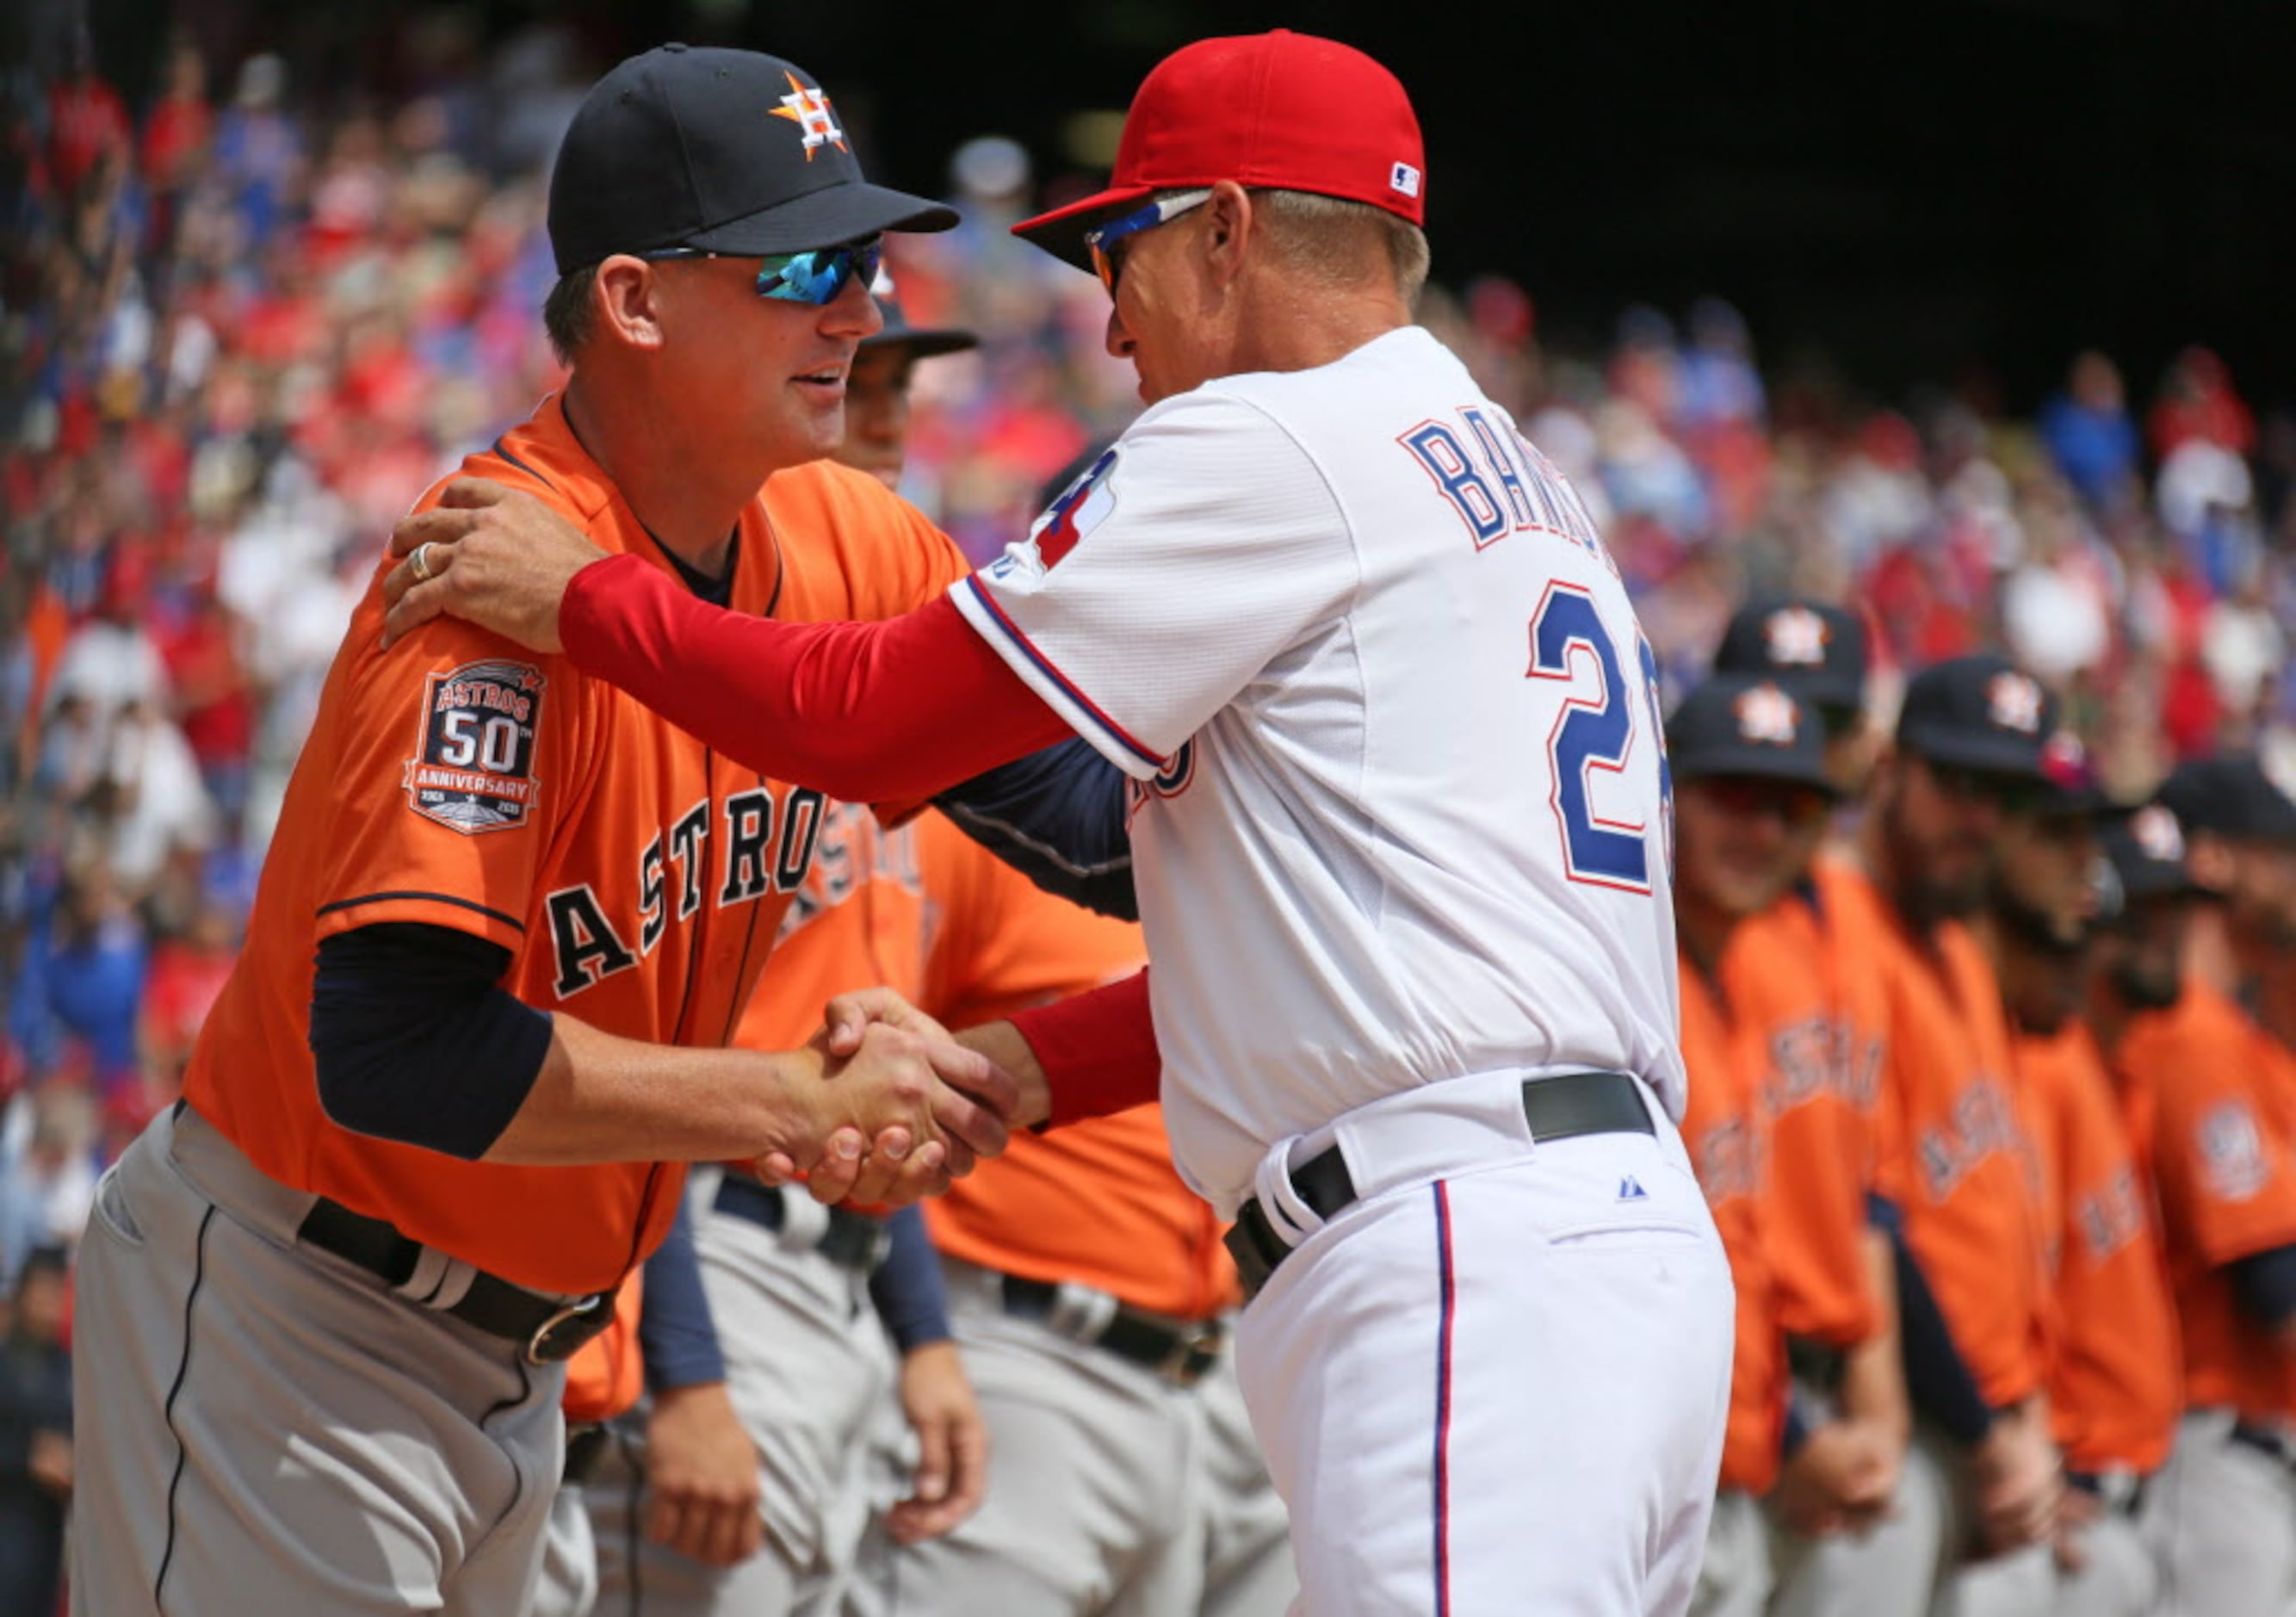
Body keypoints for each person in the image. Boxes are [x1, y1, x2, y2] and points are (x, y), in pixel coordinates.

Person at [379, 28, 1735, 1615]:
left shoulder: (1278, 434)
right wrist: (1035, 1066)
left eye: (1123, 247)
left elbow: (874, 722)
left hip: (1461, 1261)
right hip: (1602, 1257)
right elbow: (1332, 950)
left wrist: (589, 601)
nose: (1106, 314)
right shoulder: (1524, 485)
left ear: (1225, 229)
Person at [67, 46, 1018, 1617]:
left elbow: (1065, 803)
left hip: (530, 1362)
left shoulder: (846, 530)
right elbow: (394, 1048)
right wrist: (784, 1094)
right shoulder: (486, 576)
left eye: (864, 260)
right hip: (302, 1319)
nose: (859, 306)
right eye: (800, 266)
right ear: (635, 302)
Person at [1815, 654, 2065, 1617]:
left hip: (1992, 1442)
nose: (1980, 819)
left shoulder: (1960, 950)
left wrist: (2030, 1416)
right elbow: (1864, 1213)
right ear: (1890, 767)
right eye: (1958, 784)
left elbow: (2006, 1217)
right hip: (1901, 1435)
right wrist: (1985, 1434)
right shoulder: (1838, 922)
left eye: (2004, 796)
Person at [1972, 743, 2177, 1617]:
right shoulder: (2030, 1063)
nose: (2093, 954)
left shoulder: (2098, 1065)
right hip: (2062, 1497)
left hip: (2125, 1493)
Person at [1663, 676, 1839, 1617]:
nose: (1762, 831)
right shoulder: (1630, 980)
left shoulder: (1745, 984)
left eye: (1792, 808)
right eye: (1731, 796)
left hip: (1735, 1476)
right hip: (1634, 1474)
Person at [2115, 760, 2296, 1615]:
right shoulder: (2193, 1035)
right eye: (2281, 854)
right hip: (2214, 1450)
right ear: (2216, 862)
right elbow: (2274, 1281)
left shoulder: (2236, 1035)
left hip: (2245, 1449)